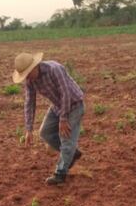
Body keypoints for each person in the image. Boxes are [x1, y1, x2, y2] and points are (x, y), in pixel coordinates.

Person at [12, 52, 85, 185]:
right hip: (57, 105)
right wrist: (29, 129)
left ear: (35, 66)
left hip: (74, 104)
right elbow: (29, 102)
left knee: (66, 137)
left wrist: (63, 119)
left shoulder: (54, 69)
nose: (27, 78)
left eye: (28, 73)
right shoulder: (30, 81)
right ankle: (72, 154)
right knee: (45, 132)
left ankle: (60, 174)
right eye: (24, 75)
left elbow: (66, 93)